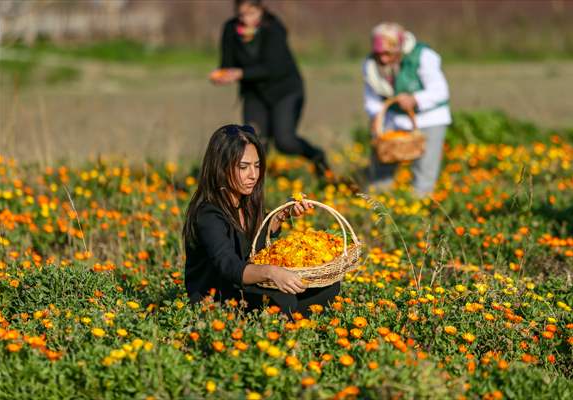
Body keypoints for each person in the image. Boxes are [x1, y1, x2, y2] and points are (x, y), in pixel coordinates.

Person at [183, 124, 340, 316]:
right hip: (218, 297)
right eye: (243, 167)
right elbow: (229, 267)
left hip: (245, 288)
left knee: (328, 287)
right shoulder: (208, 214)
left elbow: (259, 231)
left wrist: (284, 213)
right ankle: (282, 323)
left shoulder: (244, 200)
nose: (253, 175)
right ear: (221, 167)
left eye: (257, 166)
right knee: (284, 299)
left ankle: (290, 322)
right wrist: (271, 272)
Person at [209, 0, 333, 182]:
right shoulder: (230, 29)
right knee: (254, 143)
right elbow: (227, 63)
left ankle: (317, 157)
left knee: (285, 142)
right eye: (241, 14)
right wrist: (222, 75)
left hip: (284, 90)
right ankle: (254, 190)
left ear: (261, 9)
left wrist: (240, 73)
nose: (245, 19)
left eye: (251, 13)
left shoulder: (273, 28)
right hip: (254, 94)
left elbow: (273, 68)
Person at [363, 22, 451, 196]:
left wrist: (415, 99)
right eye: (378, 54)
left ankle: (419, 210)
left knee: (424, 170)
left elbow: (440, 91)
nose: (383, 59)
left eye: (388, 54)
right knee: (381, 167)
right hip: (393, 118)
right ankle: (378, 209)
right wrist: (376, 117)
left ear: (399, 48)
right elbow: (372, 98)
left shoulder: (423, 56)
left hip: (429, 119)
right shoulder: (370, 64)